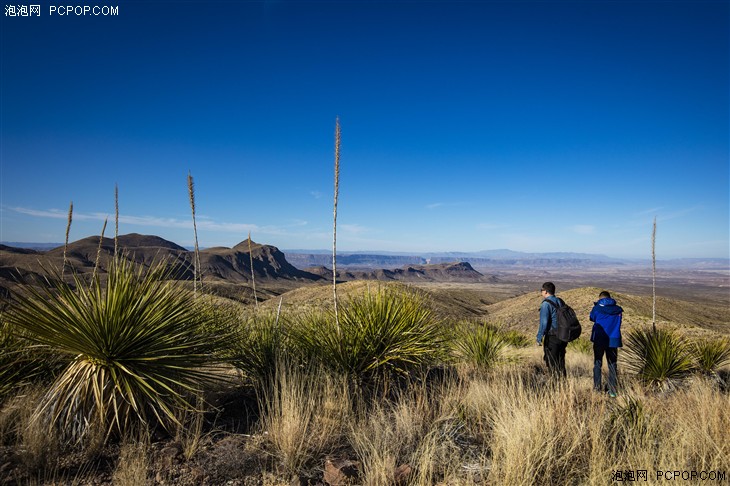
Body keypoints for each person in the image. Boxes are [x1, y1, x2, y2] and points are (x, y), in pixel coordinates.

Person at [589, 290, 623, 397]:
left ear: (600, 299)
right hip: (613, 340)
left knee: (597, 363)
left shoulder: (597, 308)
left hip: (599, 339)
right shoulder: (618, 309)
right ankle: (612, 391)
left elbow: (592, 318)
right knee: (612, 365)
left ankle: (597, 389)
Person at [536, 281, 567, 377]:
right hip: (563, 335)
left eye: (541, 290)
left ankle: (555, 385)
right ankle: (563, 384)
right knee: (560, 361)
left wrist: (539, 337)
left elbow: (544, 323)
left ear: (545, 291)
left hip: (552, 337)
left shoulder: (546, 304)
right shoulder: (560, 301)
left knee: (552, 362)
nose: (541, 292)